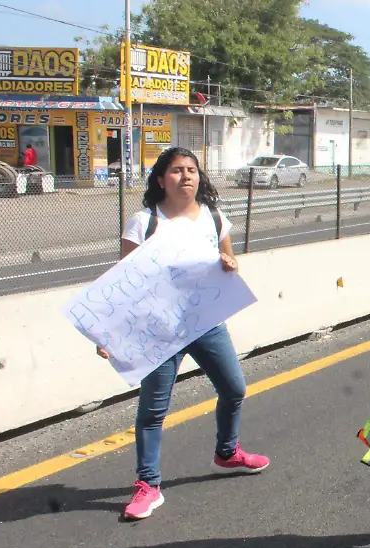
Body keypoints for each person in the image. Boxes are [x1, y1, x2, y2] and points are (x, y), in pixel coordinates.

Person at [96, 147, 268, 521]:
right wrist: (108, 334)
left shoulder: (215, 218)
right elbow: (123, 285)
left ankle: (227, 452)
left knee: (234, 388)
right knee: (153, 409)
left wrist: (230, 264)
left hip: (205, 323)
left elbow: (228, 262)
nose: (186, 176)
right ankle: (148, 485)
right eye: (176, 170)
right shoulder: (144, 223)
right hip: (159, 330)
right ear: (161, 179)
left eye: (191, 170)